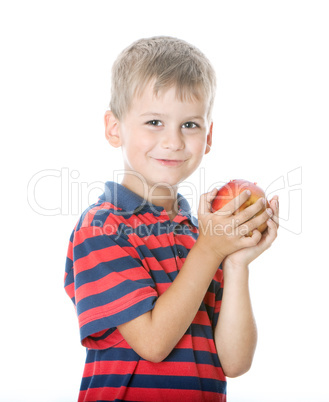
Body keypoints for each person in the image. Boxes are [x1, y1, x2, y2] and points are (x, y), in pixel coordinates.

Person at [64, 36, 279, 402]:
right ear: (114, 128)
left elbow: (234, 360)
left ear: (208, 135)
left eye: (190, 125)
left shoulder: (203, 236)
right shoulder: (101, 229)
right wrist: (211, 252)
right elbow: (153, 343)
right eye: (154, 121)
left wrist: (236, 262)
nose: (173, 141)